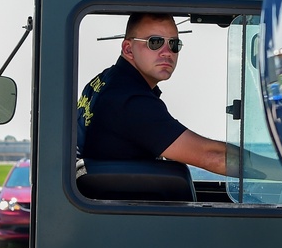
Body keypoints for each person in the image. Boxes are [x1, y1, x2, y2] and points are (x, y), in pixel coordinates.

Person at [77, 12, 232, 175]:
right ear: (128, 49)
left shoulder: (103, 82)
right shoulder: (130, 100)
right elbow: (214, 157)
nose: (167, 52)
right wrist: (261, 166)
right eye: (155, 42)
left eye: (174, 44)